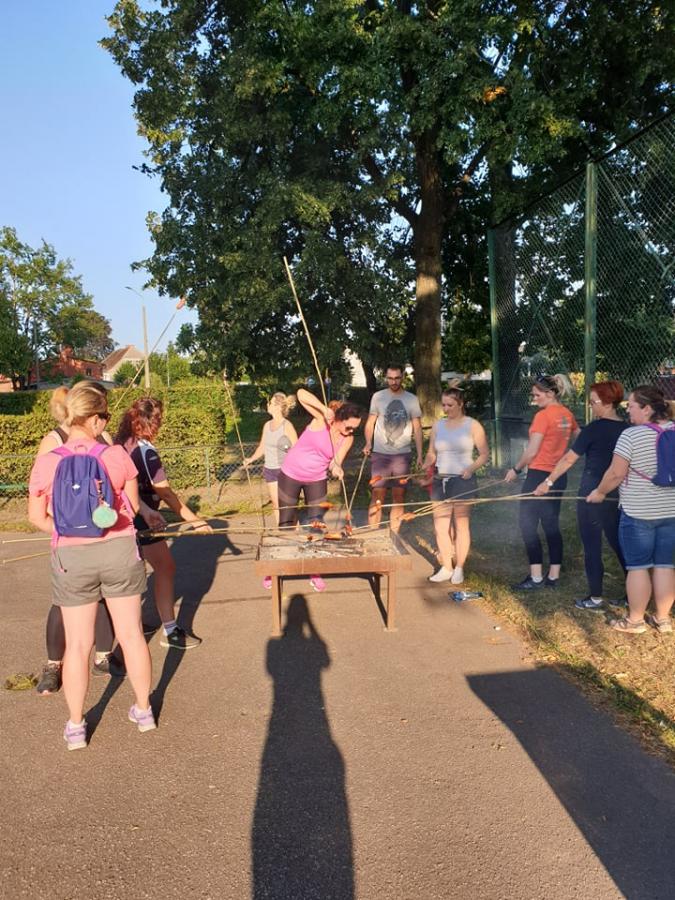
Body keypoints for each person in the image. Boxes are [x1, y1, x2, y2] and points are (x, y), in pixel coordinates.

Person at [28, 382, 156, 750]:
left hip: (72, 558)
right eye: (105, 417)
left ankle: (76, 726)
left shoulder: (47, 460)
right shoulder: (115, 455)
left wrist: (68, 529)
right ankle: (144, 711)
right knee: (131, 635)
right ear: (96, 419)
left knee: (78, 644)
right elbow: (132, 508)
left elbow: (37, 517)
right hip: (118, 551)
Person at [34, 386, 119, 695]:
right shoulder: (54, 441)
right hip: (70, 539)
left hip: (104, 537)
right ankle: (53, 665)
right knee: (63, 603)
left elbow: (118, 488)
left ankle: (103, 656)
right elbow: (41, 494)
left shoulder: (103, 437)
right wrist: (62, 526)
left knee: (104, 597)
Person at [116, 396, 212, 649]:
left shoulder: (121, 443)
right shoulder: (145, 450)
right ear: (153, 422)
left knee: (135, 571)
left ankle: (134, 626)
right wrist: (195, 521)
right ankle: (170, 631)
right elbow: (165, 492)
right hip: (141, 517)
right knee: (165, 567)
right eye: (160, 419)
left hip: (123, 516)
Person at [587, 385, 675, 634]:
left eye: (632, 406)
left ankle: (635, 621)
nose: (628, 410)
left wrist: (599, 492)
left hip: (638, 513)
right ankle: (663, 619)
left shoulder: (631, 435)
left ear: (647, 409)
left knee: (638, 567)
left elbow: (616, 474)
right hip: (671, 512)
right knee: (665, 565)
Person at [534, 380, 628, 610]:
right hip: (617, 495)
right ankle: (632, 594)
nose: (591, 406)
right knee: (620, 544)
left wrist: (548, 482)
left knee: (592, 546)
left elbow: (569, 459)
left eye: (593, 402)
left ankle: (595, 597)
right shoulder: (627, 429)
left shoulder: (593, 429)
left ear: (607, 403)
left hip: (590, 495)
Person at [275, 389, 362, 592]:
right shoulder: (322, 420)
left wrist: (337, 468)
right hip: (290, 475)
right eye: (349, 426)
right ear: (339, 419)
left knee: (316, 524)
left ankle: (314, 571)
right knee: (286, 522)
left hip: (317, 479)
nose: (351, 431)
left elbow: (335, 461)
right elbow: (300, 394)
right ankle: (277, 569)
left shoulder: (347, 438)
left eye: (354, 429)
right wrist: (324, 409)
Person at [505, 373, 580, 589]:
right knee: (551, 524)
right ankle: (553, 577)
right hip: (559, 476)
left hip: (539, 475)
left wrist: (515, 469)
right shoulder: (567, 414)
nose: (534, 398)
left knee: (527, 524)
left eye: (537, 395)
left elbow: (531, 452)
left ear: (550, 393)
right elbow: (579, 436)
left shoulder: (543, 416)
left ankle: (536, 577)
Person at [424, 387, 489, 584]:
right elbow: (432, 453)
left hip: (462, 480)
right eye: (443, 405)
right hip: (440, 479)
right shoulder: (438, 426)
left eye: (450, 405)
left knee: (461, 525)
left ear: (461, 404)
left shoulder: (473, 425)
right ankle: (446, 566)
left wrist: (470, 469)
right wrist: (426, 465)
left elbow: (484, 455)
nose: (445, 409)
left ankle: (459, 567)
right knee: (440, 526)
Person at [363, 364, 423, 533]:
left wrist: (420, 454)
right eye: (390, 378)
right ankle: (373, 532)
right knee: (377, 494)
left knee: (399, 496)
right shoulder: (378, 397)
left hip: (402, 455)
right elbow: (370, 422)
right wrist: (368, 442)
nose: (394, 382)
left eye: (397, 378)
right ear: (386, 378)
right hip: (380, 454)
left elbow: (417, 428)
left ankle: (394, 534)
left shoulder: (411, 399)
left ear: (402, 377)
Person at [243, 392, 298, 524]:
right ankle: (281, 530)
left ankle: (295, 529)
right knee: (276, 504)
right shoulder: (267, 425)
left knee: (287, 504)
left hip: (285, 470)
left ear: (278, 407)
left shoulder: (287, 425)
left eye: (270, 403)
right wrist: (251, 459)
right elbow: (262, 446)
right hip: (270, 469)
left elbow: (297, 448)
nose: (268, 405)